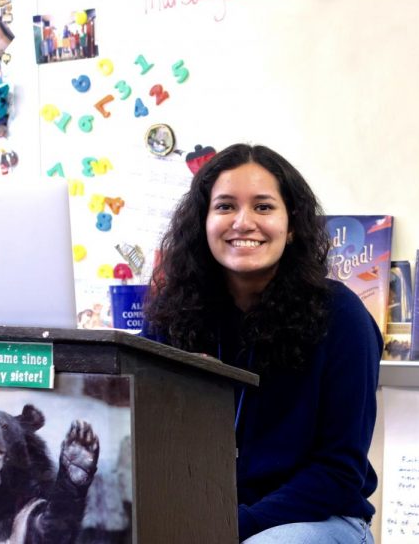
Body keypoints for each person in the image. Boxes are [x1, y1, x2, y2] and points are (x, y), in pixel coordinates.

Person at [143, 144, 381, 543]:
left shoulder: (341, 316)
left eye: (264, 207)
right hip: (201, 517)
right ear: (202, 223)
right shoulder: (173, 315)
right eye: (224, 207)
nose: (243, 222)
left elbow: (339, 474)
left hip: (321, 519)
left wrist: (230, 526)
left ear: (291, 227)